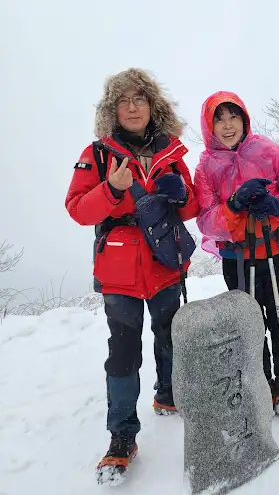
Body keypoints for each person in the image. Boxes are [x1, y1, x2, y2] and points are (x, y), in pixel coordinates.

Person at [65, 68, 198, 480]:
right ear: (113, 110)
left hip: (164, 261)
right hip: (120, 268)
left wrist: (182, 194)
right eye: (123, 101)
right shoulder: (97, 154)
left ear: (152, 105)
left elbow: (191, 207)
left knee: (169, 333)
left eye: (139, 98)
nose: (133, 107)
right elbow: (77, 208)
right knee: (123, 352)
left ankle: (168, 394)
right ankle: (122, 435)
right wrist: (112, 190)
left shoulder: (171, 151)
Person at [194, 91, 279, 415]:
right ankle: (259, 382)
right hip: (237, 258)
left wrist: (277, 204)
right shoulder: (205, 167)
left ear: (244, 119)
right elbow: (206, 220)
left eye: (233, 117)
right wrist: (233, 205)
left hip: (274, 250)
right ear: (209, 126)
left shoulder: (268, 150)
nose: (228, 125)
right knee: (248, 323)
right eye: (219, 119)